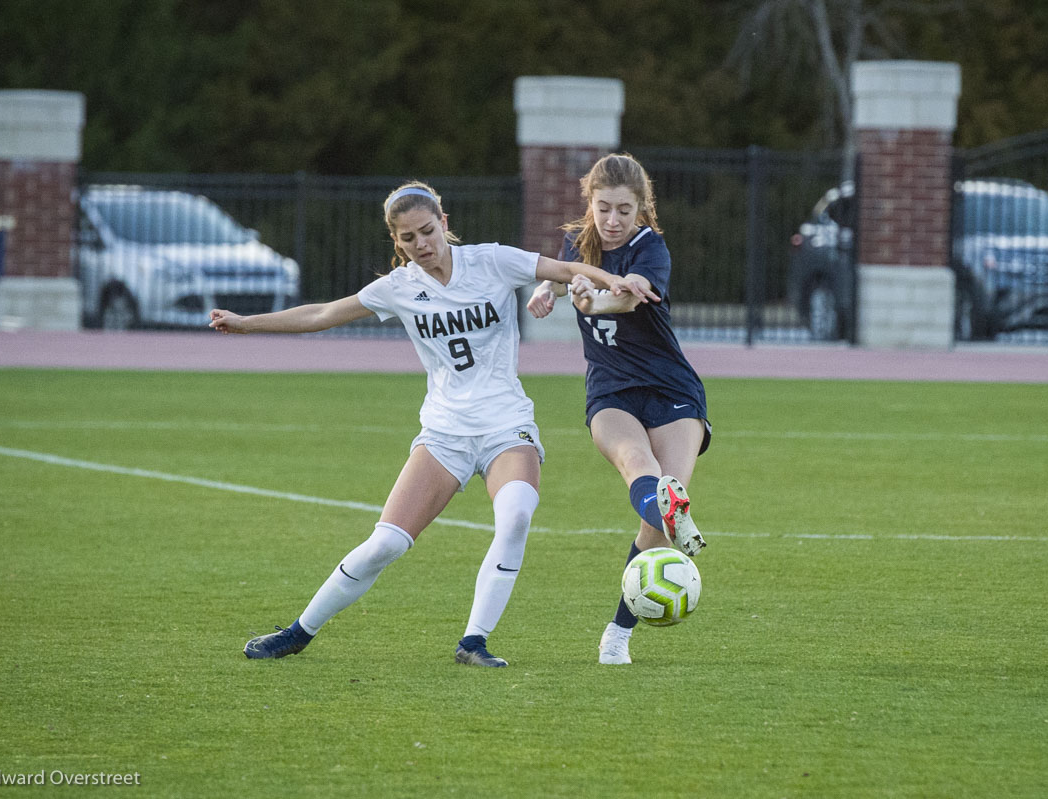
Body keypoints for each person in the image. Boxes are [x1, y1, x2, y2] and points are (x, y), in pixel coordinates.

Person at [211, 181, 656, 667]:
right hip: (444, 434)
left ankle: (473, 643)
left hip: (507, 427)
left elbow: (568, 268)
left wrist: (614, 283)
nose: (421, 244)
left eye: (427, 231)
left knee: (515, 518)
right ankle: (297, 632)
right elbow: (323, 313)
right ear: (396, 242)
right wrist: (246, 322)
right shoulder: (399, 288)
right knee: (385, 544)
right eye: (407, 238)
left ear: (444, 224)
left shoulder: (491, 261)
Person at [526, 153, 710, 666]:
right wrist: (550, 287)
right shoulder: (577, 242)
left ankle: (617, 633)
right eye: (603, 207)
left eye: (623, 211)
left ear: (641, 210)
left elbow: (628, 302)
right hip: (611, 389)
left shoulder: (651, 250)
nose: (611, 221)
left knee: (654, 523)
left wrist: (594, 298)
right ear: (590, 202)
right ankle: (674, 514)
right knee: (639, 468)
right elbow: (564, 272)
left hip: (671, 388)